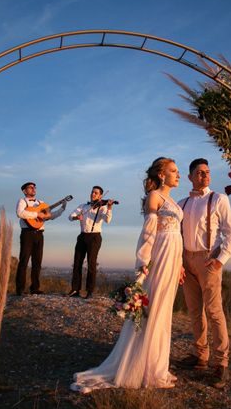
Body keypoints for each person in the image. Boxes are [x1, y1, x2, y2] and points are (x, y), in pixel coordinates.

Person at [71, 157, 183, 393]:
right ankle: (146, 367)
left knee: (165, 310)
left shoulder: (172, 200)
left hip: (173, 257)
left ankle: (157, 365)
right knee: (155, 308)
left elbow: (176, 234)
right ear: (161, 174)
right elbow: (148, 232)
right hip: (160, 255)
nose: (178, 175)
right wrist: (143, 263)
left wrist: (180, 264)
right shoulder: (155, 197)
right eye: (174, 171)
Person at [177, 158, 231, 389]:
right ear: (190, 176)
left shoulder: (219, 199)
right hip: (185, 259)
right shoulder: (181, 203)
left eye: (207, 172)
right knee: (194, 310)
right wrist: (178, 262)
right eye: (200, 173)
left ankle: (221, 363)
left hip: (207, 259)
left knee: (214, 311)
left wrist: (220, 260)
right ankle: (200, 355)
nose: (204, 176)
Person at [15, 181, 67, 295]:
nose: (33, 189)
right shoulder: (22, 201)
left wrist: (62, 209)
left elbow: (50, 216)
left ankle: (35, 288)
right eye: (30, 187)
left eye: (34, 187)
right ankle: (20, 289)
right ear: (24, 191)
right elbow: (20, 213)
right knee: (23, 261)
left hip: (39, 234)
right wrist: (36, 214)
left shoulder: (41, 203)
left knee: (37, 262)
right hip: (27, 233)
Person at [67, 186, 114, 299]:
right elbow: (70, 216)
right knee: (77, 263)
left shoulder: (102, 208)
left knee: (91, 264)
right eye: (92, 192)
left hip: (94, 237)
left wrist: (109, 207)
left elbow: (107, 220)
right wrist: (76, 217)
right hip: (82, 236)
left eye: (96, 193)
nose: (93, 194)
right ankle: (75, 289)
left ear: (100, 196)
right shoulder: (83, 206)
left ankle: (90, 291)